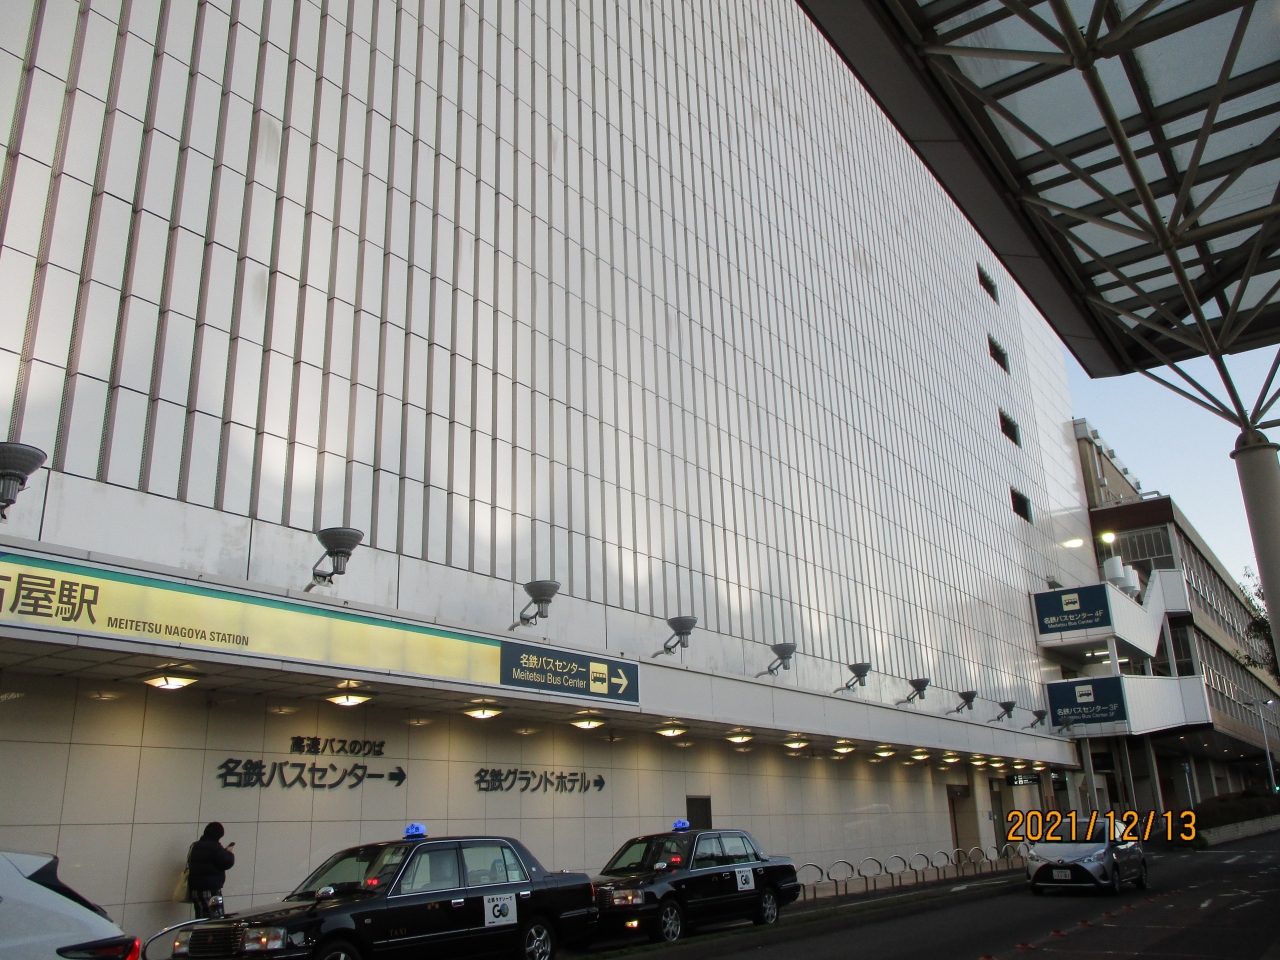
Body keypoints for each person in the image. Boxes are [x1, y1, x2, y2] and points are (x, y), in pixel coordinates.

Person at [188, 822, 235, 919]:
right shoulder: (215, 847)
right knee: (216, 918)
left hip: (195, 888)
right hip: (211, 889)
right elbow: (226, 862)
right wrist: (228, 852)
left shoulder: (195, 845)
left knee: (201, 918)